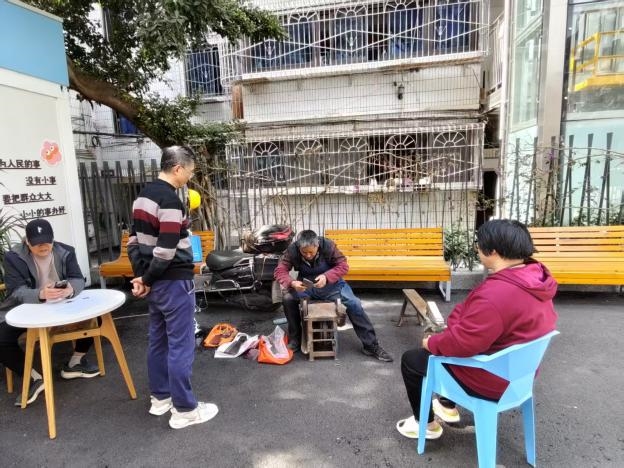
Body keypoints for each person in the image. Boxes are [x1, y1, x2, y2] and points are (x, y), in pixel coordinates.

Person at [396, 219, 558, 440]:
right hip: (521, 373)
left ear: (493, 251)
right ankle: (447, 405)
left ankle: (426, 425)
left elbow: (463, 343)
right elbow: (470, 320)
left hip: (494, 378)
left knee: (413, 360)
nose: (476, 248)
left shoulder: (497, 293)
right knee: (459, 340)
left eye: (478, 243)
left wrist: (431, 343)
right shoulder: (535, 277)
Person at [128, 145, 218, 430]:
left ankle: (161, 398)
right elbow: (166, 251)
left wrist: (142, 277)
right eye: (189, 172)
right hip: (174, 282)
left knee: (158, 340)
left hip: (155, 282)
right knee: (181, 344)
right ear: (178, 168)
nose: (189, 178)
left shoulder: (141, 198)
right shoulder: (169, 201)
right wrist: (147, 279)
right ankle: (185, 410)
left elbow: (133, 242)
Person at [0, 218, 99, 407]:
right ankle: (34, 378)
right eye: (37, 243)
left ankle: (75, 362)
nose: (43, 246)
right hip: (26, 309)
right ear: (27, 242)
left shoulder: (66, 251)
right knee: (1, 338)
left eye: (47, 241)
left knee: (94, 316)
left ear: (53, 239)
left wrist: (70, 289)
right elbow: (16, 291)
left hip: (61, 306)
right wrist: (40, 294)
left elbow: (77, 278)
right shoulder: (14, 257)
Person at [274, 229, 393, 362]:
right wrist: (292, 282)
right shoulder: (292, 250)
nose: (308, 255)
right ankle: (295, 338)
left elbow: (343, 266)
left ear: (317, 245)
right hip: (306, 285)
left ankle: (371, 345)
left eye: (311, 252)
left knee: (354, 303)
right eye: (304, 252)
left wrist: (327, 276)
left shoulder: (328, 246)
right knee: (288, 299)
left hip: (332, 284)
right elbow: (280, 271)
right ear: (299, 247)